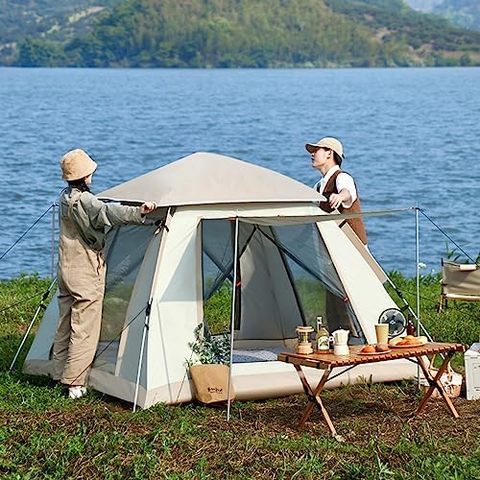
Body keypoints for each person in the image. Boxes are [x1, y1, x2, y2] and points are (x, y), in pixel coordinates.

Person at [52, 148, 157, 399]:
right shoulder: (86, 201)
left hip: (66, 269)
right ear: (85, 175)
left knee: (65, 322)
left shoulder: (65, 197)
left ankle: (57, 372)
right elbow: (108, 212)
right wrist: (140, 212)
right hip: (84, 271)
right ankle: (74, 382)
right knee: (84, 327)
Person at [305, 136, 367, 245]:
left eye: (316, 150)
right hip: (334, 244)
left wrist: (340, 196)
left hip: (354, 247)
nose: (312, 154)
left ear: (329, 153)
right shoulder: (318, 186)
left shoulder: (342, 177)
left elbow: (346, 192)